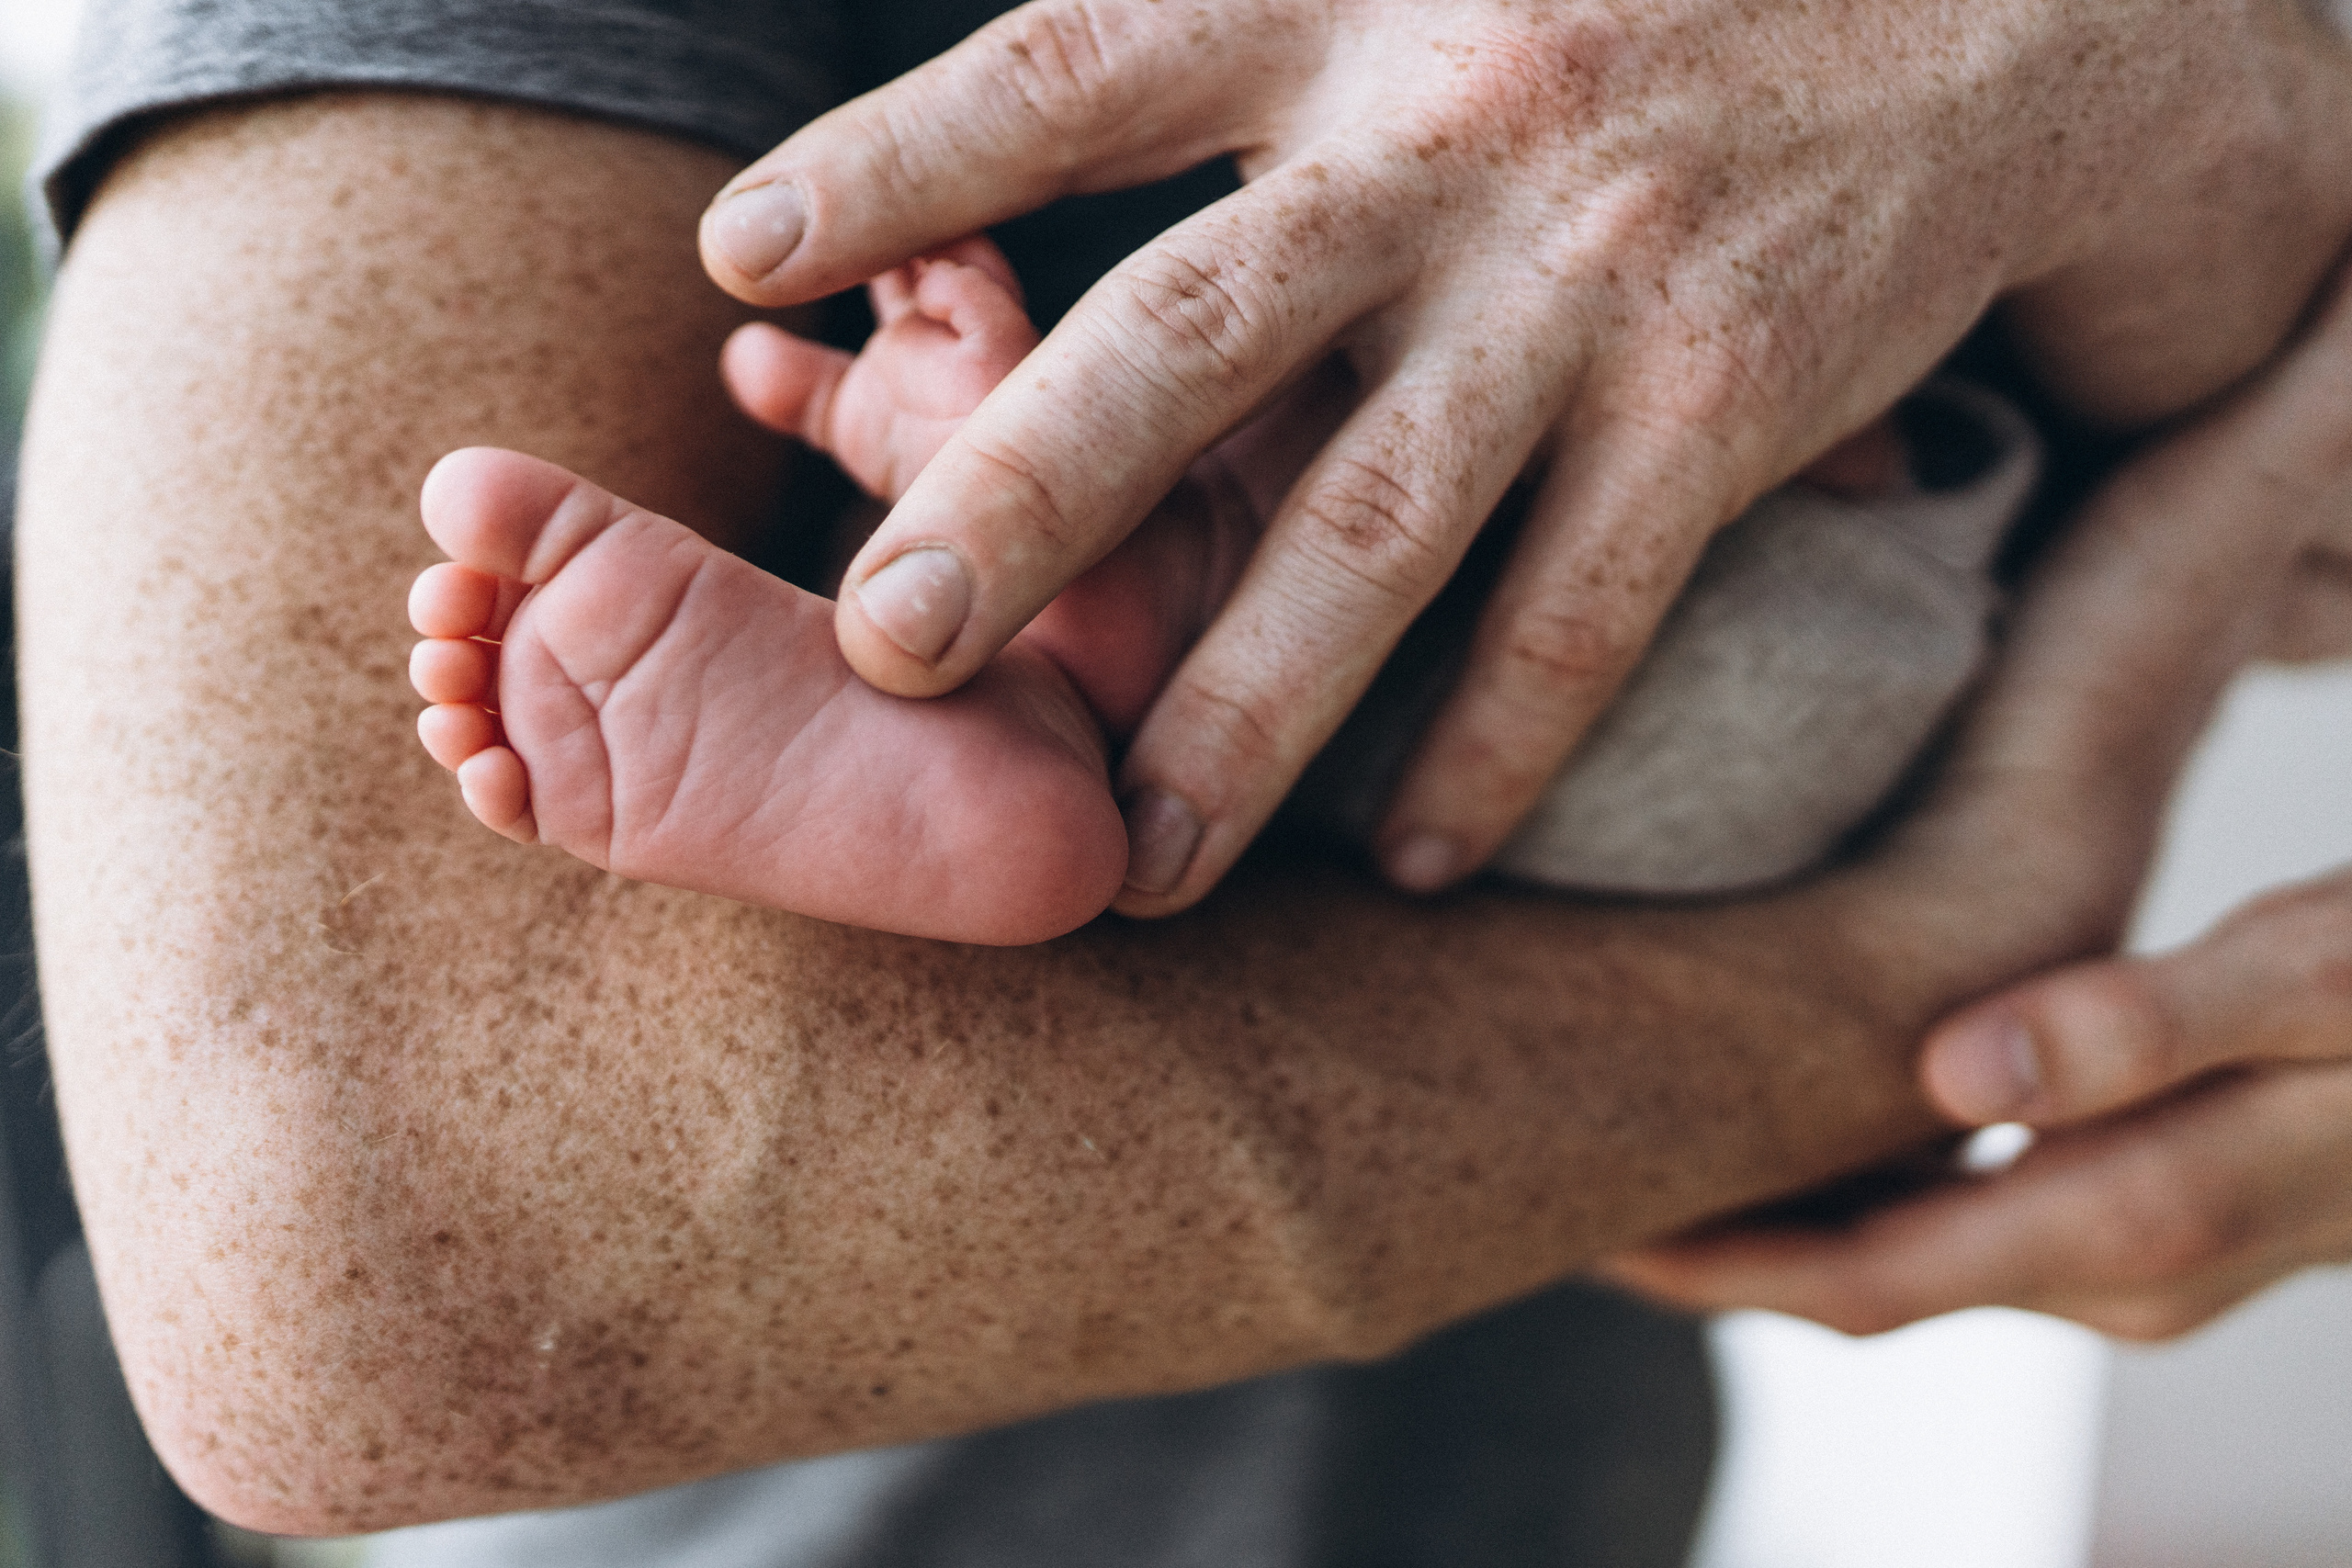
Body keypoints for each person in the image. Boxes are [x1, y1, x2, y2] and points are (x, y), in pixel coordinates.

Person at [17, 1, 2352, 1561]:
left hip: (1717, 637)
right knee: (1204, 465)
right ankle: (1006, 595)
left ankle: (999, 617)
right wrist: (1909, 988)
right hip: (1786, 661)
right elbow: (359, 1274)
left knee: (1207, 472)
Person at [404, 232, 2037, 939]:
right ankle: (1055, 593)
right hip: (1823, 653)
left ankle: (1062, 588)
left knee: (1383, 362)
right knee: (1429, 370)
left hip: (1748, 572)